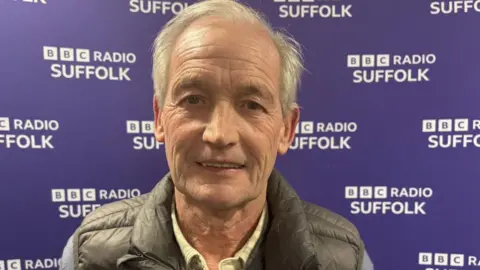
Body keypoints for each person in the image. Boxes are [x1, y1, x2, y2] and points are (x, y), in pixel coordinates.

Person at [60, 0, 374, 269]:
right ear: (159, 118)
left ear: (286, 130)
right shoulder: (91, 252)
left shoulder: (343, 259)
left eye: (251, 105)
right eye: (193, 99)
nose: (219, 134)